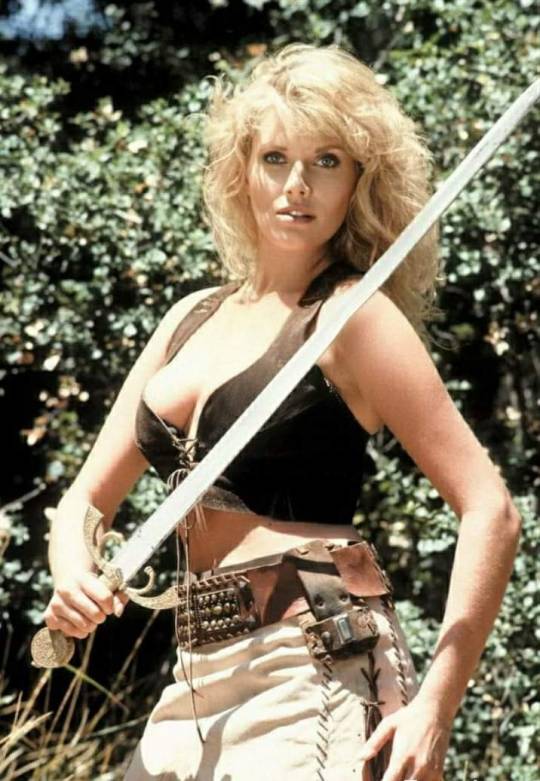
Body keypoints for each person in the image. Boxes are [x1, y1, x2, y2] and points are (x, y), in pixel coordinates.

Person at [43, 44, 522, 781]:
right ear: (244, 171)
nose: (298, 185)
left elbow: (491, 509)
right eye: (276, 158)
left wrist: (438, 703)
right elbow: (84, 499)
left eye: (326, 161)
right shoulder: (187, 320)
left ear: (359, 179)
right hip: (195, 674)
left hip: (315, 662)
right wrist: (71, 568)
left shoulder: (356, 318)